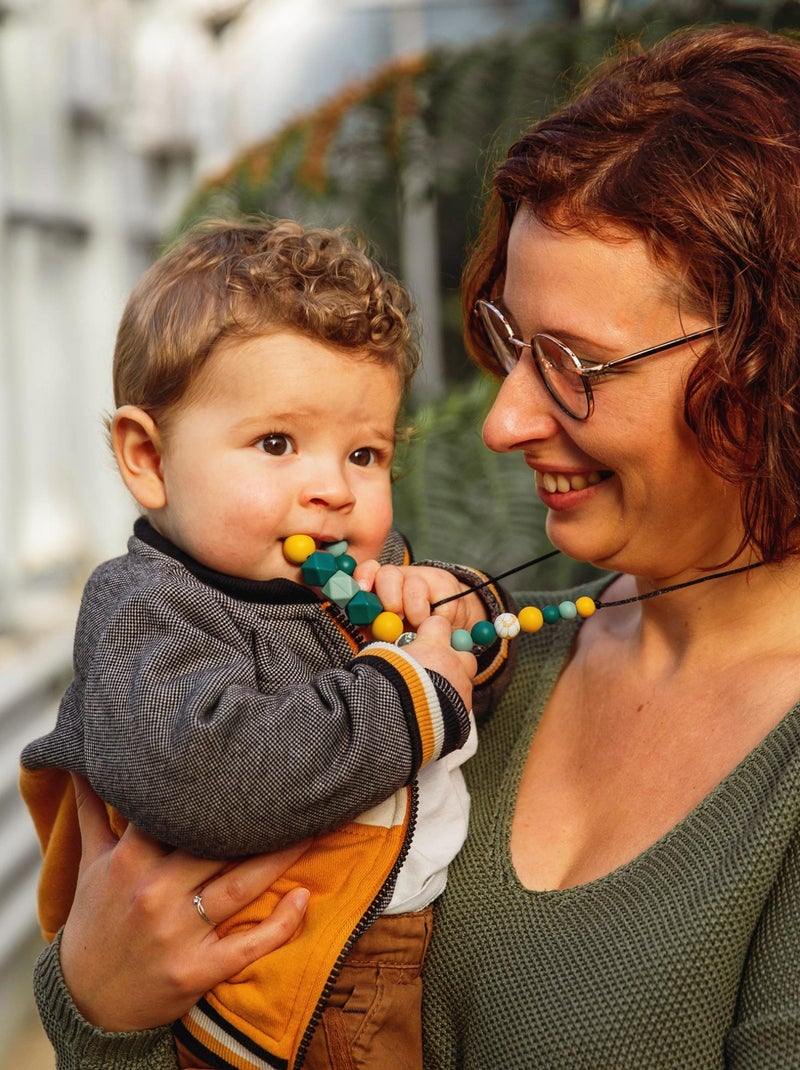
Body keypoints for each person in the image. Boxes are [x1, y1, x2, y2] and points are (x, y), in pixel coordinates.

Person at [27, 20, 800, 1068]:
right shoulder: (487, 657)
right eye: (508, 342)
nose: (502, 419)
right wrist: (99, 1002)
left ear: (768, 370)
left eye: (572, 362)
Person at [19, 218, 513, 1070]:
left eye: (366, 453)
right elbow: (203, 779)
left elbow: (451, 691)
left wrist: (453, 615)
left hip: (369, 963)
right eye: (277, 443)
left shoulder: (349, 578)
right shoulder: (149, 608)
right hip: (263, 1004)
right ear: (149, 458)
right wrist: (409, 695)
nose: (331, 489)